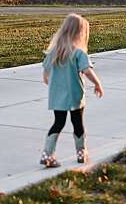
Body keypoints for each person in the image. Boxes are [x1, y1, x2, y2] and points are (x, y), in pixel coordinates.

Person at [39, 13, 104, 168]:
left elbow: (45, 76)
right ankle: (81, 153)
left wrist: (55, 86)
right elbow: (87, 70)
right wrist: (97, 83)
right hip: (75, 95)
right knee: (78, 123)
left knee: (58, 123)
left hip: (57, 97)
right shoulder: (78, 53)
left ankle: (47, 154)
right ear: (79, 33)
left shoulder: (53, 52)